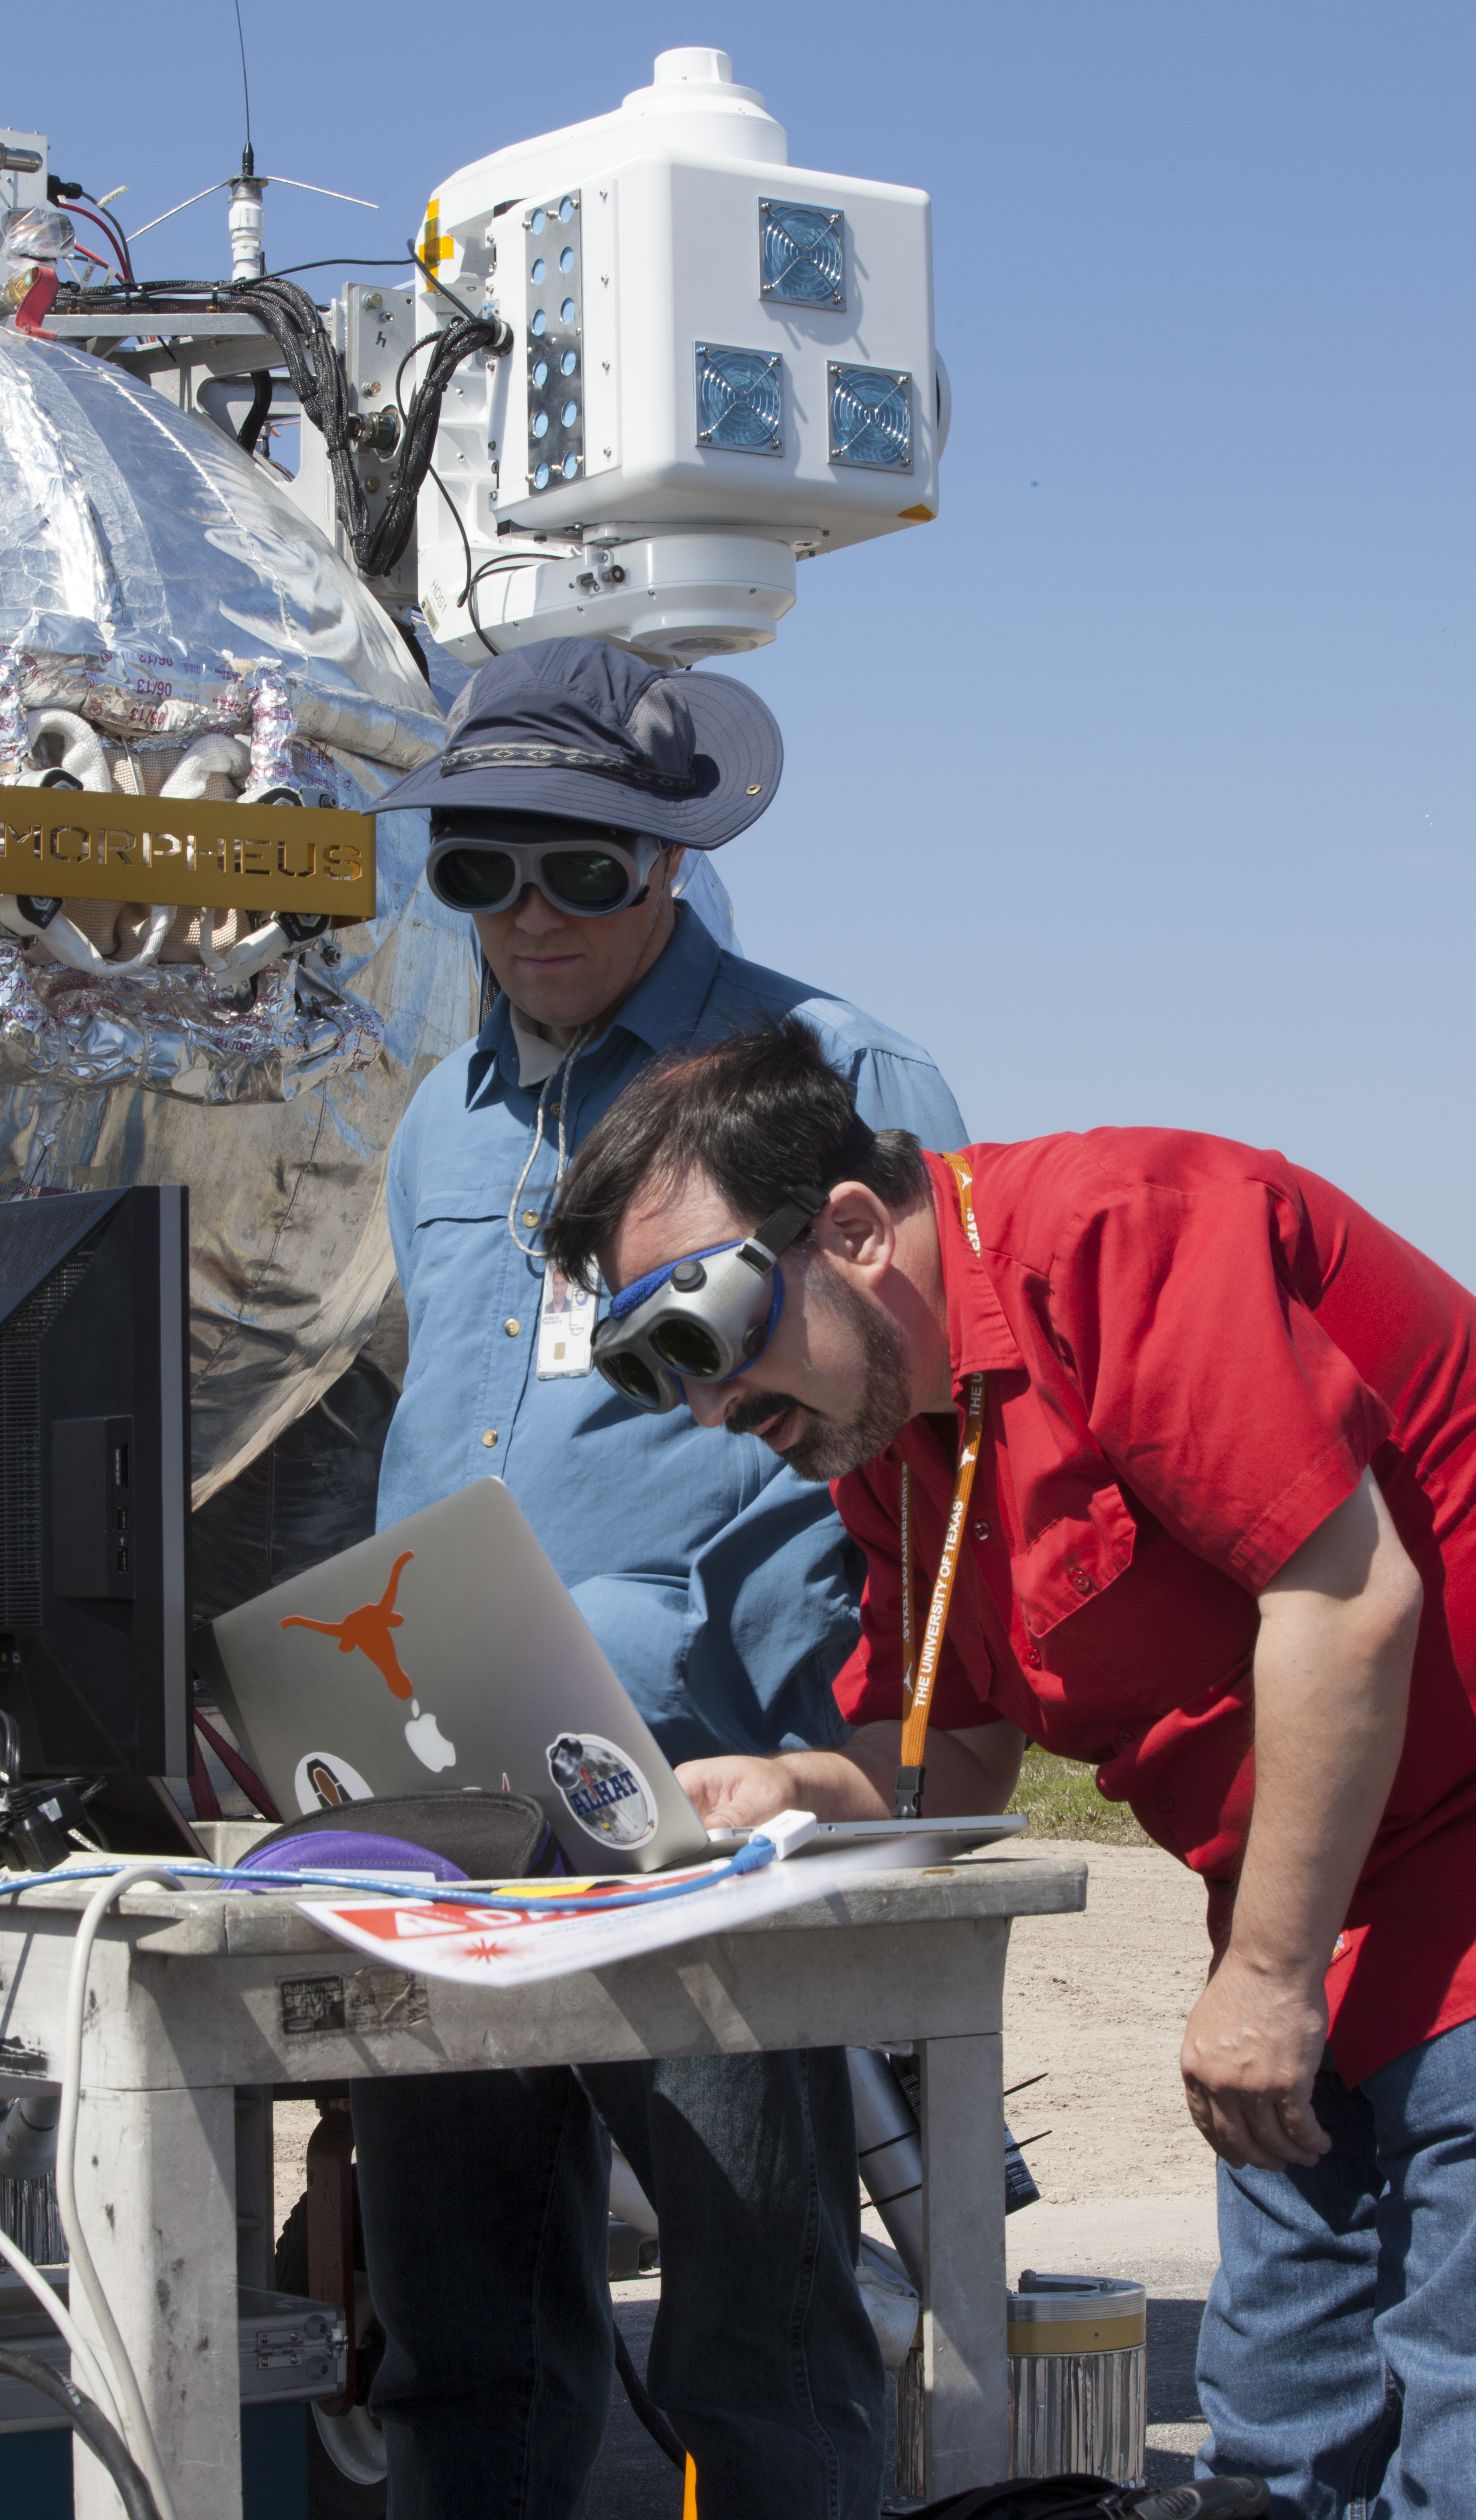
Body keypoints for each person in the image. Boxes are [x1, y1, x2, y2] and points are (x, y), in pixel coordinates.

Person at [539, 1015, 1476, 2520]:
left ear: (854, 1228)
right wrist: (794, 1787)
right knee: (1278, 2447)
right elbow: (952, 1763)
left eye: (706, 1331)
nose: (711, 1406)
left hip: (1430, 1901)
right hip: (1317, 1920)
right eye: (656, 1372)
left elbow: (1348, 1599)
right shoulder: (896, 1436)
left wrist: (1268, 1975)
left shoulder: (1126, 1237)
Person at [354, 642, 968, 2518]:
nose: (529, 914)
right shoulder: (439, 1122)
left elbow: (939, 1415)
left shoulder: (835, 1077)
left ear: (675, 860)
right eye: (480, 868)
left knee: (754, 2322)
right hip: (444, 1771)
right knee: (456, 2317)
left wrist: (872, 1761)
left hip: (700, 1789)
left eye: (583, 867)